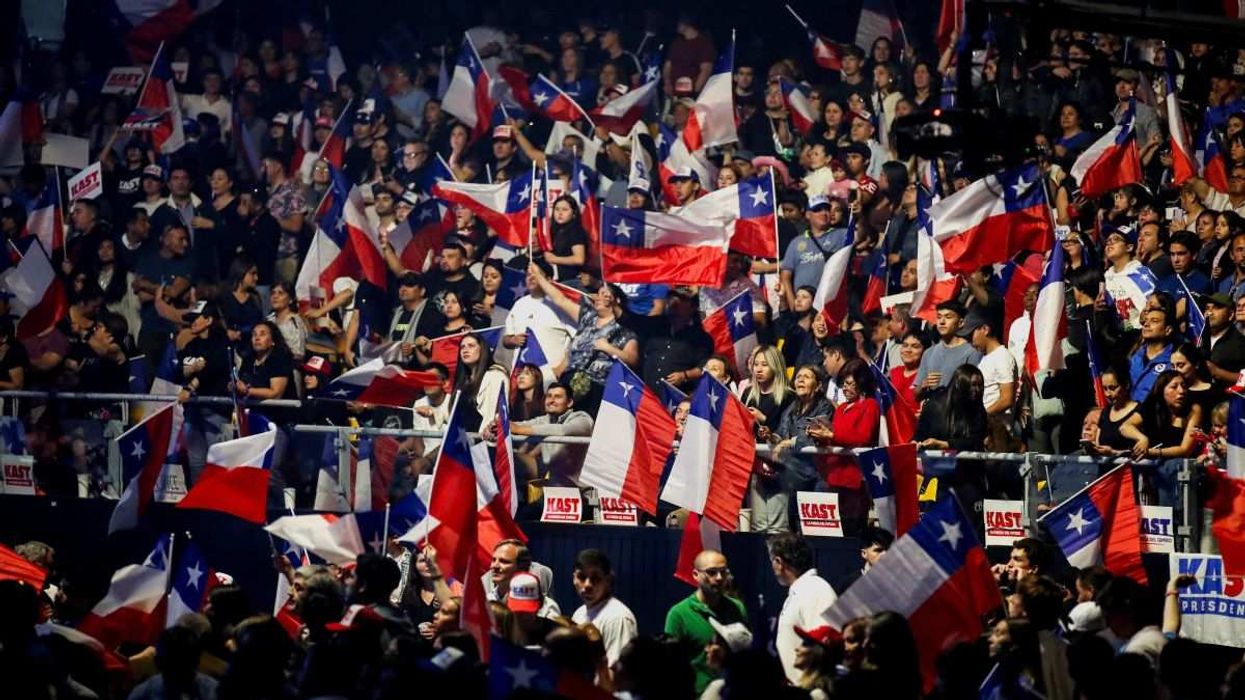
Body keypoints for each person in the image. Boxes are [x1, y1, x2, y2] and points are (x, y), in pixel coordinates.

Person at [532, 264, 638, 413]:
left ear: (616, 301)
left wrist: (609, 348)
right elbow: (560, 299)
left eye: (605, 295)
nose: (598, 297)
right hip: (568, 386)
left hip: (597, 390)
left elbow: (632, 359)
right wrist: (538, 276)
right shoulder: (587, 317)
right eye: (598, 294)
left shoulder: (623, 330)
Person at [664, 549, 749, 696]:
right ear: (695, 575)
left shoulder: (737, 608)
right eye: (711, 572)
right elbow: (669, 669)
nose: (719, 578)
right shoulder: (679, 614)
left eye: (723, 572)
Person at [767, 532, 838, 685]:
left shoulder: (816, 590)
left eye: (771, 561)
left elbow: (822, 647)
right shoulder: (802, 590)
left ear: (779, 562)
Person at [511, 382, 594, 487]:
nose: (551, 400)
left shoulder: (583, 419)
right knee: (505, 457)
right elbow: (520, 425)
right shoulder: (546, 419)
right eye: (549, 396)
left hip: (575, 483)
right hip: (548, 474)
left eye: (557, 397)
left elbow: (562, 430)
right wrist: (498, 426)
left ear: (569, 403)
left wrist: (519, 429)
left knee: (516, 462)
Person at [568, 549, 637, 668]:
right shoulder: (579, 613)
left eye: (595, 578)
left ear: (608, 580)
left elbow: (618, 676)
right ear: (574, 578)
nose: (587, 585)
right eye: (582, 577)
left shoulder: (617, 618)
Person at [914, 300, 982, 398]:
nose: (942, 322)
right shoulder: (929, 353)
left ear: (961, 322)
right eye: (939, 317)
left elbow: (975, 391)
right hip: (932, 410)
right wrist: (923, 385)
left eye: (948, 317)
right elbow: (916, 394)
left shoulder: (972, 352)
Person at [963, 310, 1018, 417]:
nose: (969, 341)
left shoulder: (1002, 357)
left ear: (985, 329)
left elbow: (1007, 399)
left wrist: (981, 416)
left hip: (997, 428)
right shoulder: (986, 358)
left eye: (971, 335)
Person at [1090, 367, 1150, 459]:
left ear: (1126, 385)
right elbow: (1099, 444)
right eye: (1105, 389)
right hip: (1106, 471)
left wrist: (1113, 452)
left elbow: (1142, 451)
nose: (1107, 394)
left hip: (1131, 470)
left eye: (1112, 388)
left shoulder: (1141, 410)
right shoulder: (1105, 412)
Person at [545, 195, 588, 281]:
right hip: (555, 280)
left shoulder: (576, 231)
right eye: (557, 209)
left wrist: (555, 259)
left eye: (565, 209)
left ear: (574, 213)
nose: (560, 213)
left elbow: (579, 259)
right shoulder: (553, 230)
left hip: (571, 281)